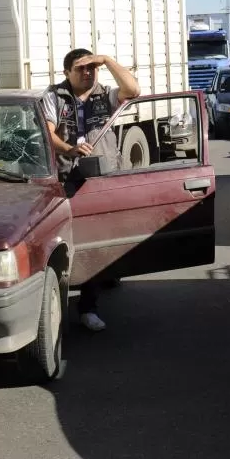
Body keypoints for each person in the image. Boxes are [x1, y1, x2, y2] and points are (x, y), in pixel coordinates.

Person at [42, 48, 141, 332]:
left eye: (91, 68)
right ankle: (58, 300)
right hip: (65, 177)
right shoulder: (53, 96)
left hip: (102, 178)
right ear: (66, 72)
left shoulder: (106, 94)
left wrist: (107, 60)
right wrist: (69, 149)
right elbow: (48, 133)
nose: (87, 73)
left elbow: (133, 89)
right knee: (66, 240)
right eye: (80, 68)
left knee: (96, 240)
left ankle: (88, 306)